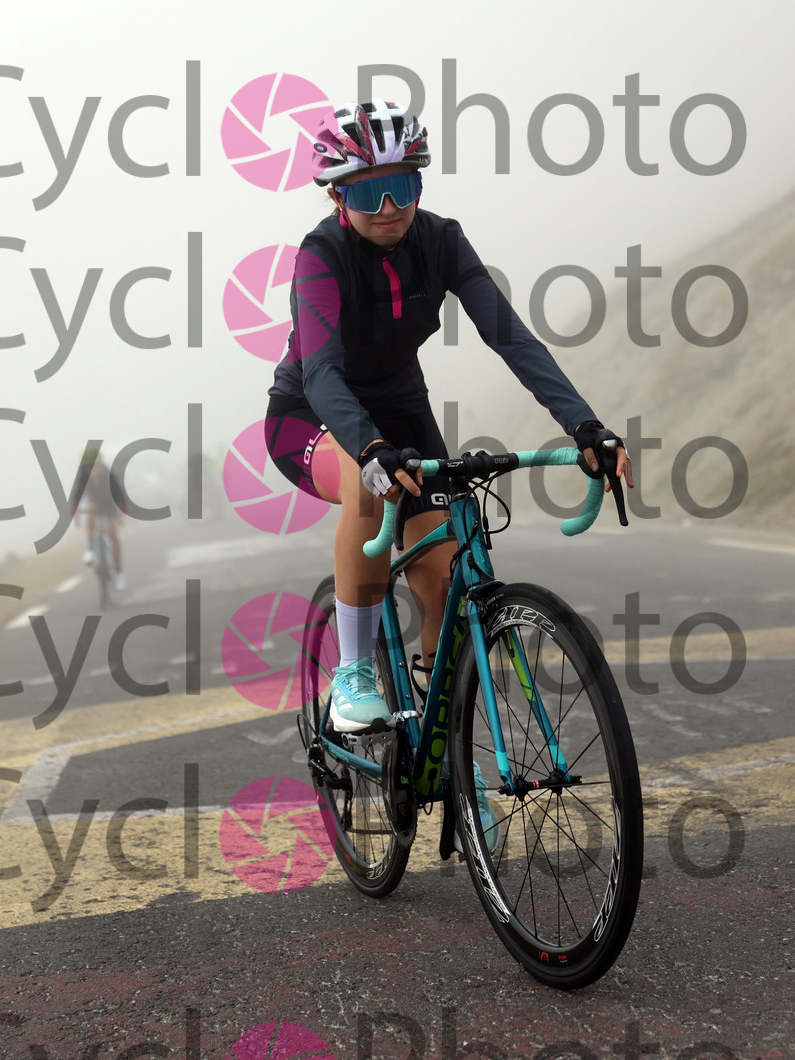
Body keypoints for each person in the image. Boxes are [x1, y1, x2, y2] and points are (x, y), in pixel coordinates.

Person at [265, 99, 632, 736]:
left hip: (401, 412)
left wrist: (585, 425)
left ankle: (441, 750)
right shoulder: (321, 254)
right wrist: (369, 448)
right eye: (369, 192)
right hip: (312, 414)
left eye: (403, 187)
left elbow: (510, 338)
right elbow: (321, 371)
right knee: (368, 490)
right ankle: (354, 674)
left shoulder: (442, 240)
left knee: (443, 580)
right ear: (336, 196)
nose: (389, 208)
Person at [69, 447, 128, 592]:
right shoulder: (82, 475)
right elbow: (77, 492)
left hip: (109, 504)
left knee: (112, 534)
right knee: (89, 513)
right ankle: (90, 549)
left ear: (101, 465)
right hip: (94, 502)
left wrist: (122, 507)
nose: (92, 470)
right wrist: (74, 508)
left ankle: (118, 570)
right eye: (88, 467)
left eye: (96, 466)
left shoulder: (108, 474)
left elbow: (118, 491)